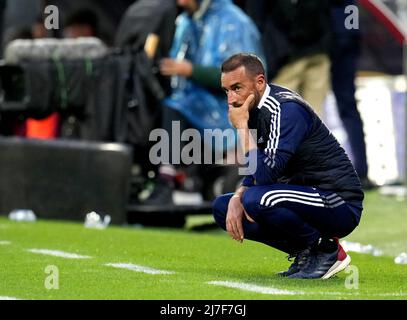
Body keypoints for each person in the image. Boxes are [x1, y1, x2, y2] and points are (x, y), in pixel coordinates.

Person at [213, 53, 364, 279]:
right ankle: (306, 253)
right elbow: (259, 167)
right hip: (303, 195)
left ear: (260, 82)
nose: (231, 100)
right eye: (227, 91)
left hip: (338, 200)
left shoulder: (285, 110)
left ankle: (327, 251)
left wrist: (242, 128)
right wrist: (238, 195)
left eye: (237, 88)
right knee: (223, 208)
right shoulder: (254, 109)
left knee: (258, 200)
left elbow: (265, 175)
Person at [143, 0, 265, 204]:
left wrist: (191, 71)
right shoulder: (186, 21)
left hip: (226, 106)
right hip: (195, 102)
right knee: (157, 104)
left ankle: (170, 179)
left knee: (174, 108)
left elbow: (244, 79)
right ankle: (164, 177)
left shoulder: (233, 23)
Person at [245, 0, 332, 116]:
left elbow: (256, 21)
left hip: (287, 55)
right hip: (315, 48)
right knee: (311, 116)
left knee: (282, 117)